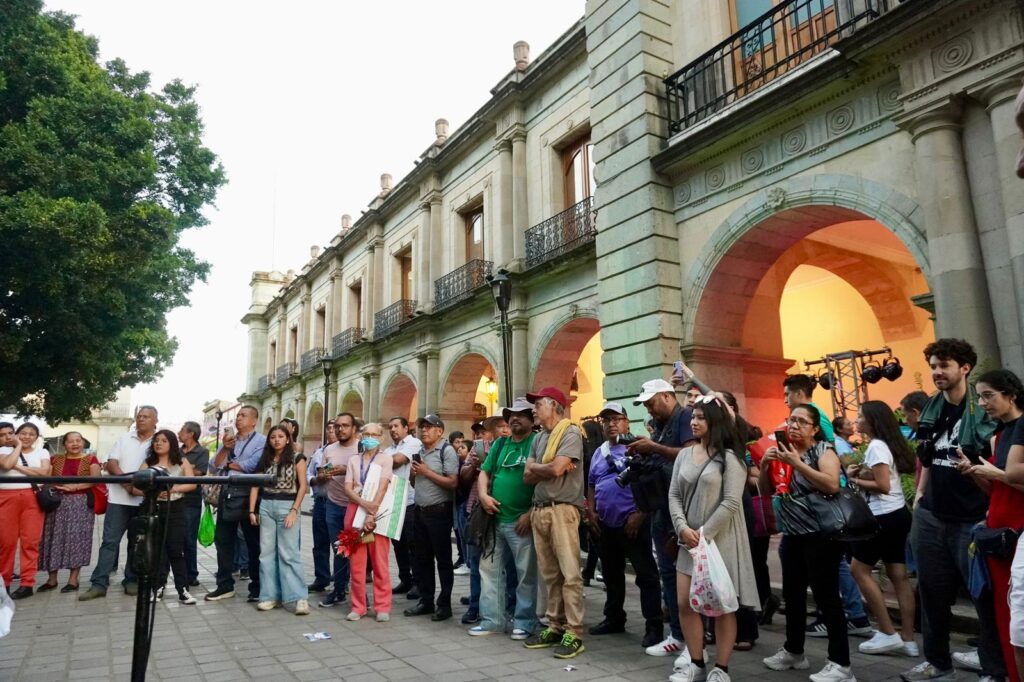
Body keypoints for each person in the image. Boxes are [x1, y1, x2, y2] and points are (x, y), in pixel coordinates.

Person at [901, 339, 1004, 682]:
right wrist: (919, 494)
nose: (936, 372)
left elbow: (997, 469)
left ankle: (993, 668)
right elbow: (927, 455)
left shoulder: (983, 411)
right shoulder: (931, 409)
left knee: (983, 598)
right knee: (931, 594)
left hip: (972, 518)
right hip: (932, 515)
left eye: (944, 365)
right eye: (933, 366)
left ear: (964, 368)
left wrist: (976, 477)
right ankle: (938, 662)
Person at [761, 403, 855, 682]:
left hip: (821, 536)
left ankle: (841, 665)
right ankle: (794, 651)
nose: (794, 426)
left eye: (802, 422)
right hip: (793, 535)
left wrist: (797, 464)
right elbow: (766, 491)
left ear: (815, 429)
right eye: (791, 420)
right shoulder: (784, 452)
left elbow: (831, 484)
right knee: (793, 595)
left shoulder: (822, 451)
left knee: (827, 598)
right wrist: (766, 464)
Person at [669, 396, 758, 682]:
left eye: (701, 417)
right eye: (693, 416)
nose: (693, 422)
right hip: (689, 540)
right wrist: (682, 527)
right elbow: (673, 495)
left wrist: (704, 535)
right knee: (684, 602)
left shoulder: (731, 458)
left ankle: (722, 668)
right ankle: (696, 662)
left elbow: (732, 502)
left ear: (715, 421)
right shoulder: (684, 455)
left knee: (721, 606)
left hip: (719, 542)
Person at [959, 369, 1024, 682]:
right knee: (1002, 609)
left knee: (1016, 615)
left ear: (1010, 394)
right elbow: (999, 488)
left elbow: (1011, 480)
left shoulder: (1022, 427)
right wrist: (975, 472)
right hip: (996, 530)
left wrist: (998, 474)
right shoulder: (999, 434)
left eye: (988, 395)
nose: (983, 403)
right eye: (980, 396)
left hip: (1016, 531)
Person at [627, 378, 697, 657]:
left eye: (652, 402)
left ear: (668, 396)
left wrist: (654, 448)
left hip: (681, 510)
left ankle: (692, 638)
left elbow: (692, 454)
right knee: (668, 573)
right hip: (661, 507)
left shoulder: (685, 417)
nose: (649, 409)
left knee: (684, 575)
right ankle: (679, 636)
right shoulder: (661, 426)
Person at [585, 402, 663, 648]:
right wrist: (592, 512)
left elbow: (652, 485)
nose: (611, 424)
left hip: (634, 523)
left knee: (646, 576)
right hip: (605, 524)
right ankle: (614, 618)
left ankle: (654, 625)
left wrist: (640, 513)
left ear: (627, 422)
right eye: (606, 420)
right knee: (611, 574)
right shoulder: (599, 452)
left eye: (616, 419)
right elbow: (591, 484)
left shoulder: (640, 448)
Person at [846, 401, 918, 657]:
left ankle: (888, 632)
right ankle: (908, 639)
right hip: (897, 515)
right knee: (898, 575)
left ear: (873, 420)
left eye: (861, 416)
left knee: (858, 569)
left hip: (880, 517)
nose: (857, 420)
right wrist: (860, 472)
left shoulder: (876, 446)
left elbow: (883, 485)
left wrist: (852, 478)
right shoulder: (886, 445)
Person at [522, 386, 586, 660]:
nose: (534, 410)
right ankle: (554, 625)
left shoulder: (570, 432)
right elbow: (528, 475)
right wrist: (543, 468)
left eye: (538, 405)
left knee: (570, 573)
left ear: (555, 405)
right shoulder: (539, 438)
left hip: (562, 510)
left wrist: (540, 468)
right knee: (550, 574)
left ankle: (574, 630)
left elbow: (558, 469)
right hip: (540, 509)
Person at [469, 397, 539, 640]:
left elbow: (545, 483)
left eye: (521, 414)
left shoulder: (537, 443)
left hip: (522, 522)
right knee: (489, 571)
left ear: (532, 419)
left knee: (526, 575)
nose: (515, 418)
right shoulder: (500, 444)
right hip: (495, 519)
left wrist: (530, 514)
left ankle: (524, 622)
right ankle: (492, 621)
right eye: (511, 415)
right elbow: (484, 473)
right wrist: (483, 496)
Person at [80, 406, 158, 601]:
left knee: (136, 543)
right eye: (139, 416)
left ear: (155, 420)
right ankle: (99, 583)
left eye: (146, 417)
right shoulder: (125, 438)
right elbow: (112, 462)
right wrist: (127, 483)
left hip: (143, 501)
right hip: (118, 500)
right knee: (109, 542)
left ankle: (131, 579)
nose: (141, 419)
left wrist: (135, 489)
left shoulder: (159, 441)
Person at [205, 405, 266, 603]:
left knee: (253, 543)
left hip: (250, 497)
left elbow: (253, 466)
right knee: (223, 540)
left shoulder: (261, 441)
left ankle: (257, 587)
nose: (238, 418)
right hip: (227, 495)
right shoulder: (230, 442)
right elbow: (214, 466)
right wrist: (225, 448)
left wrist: (229, 464)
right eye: (238, 415)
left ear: (254, 420)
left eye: (243, 415)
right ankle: (224, 585)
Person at [248, 425, 309, 615]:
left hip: (287, 505)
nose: (276, 440)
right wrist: (252, 510)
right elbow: (255, 486)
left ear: (288, 439)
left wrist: (294, 510)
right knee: (266, 554)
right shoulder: (265, 459)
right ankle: (269, 596)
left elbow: (303, 486)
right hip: (266, 505)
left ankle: (300, 597)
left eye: (281, 436)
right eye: (273, 437)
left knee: (289, 553)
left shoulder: (297, 458)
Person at [405, 414, 459, 621]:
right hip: (419, 511)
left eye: (429, 427)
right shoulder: (419, 452)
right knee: (422, 560)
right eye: (422, 427)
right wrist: (414, 473)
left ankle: (444, 604)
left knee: (443, 560)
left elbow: (453, 483)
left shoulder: (447, 451)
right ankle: (426, 601)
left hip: (439, 512)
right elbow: (414, 483)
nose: (424, 430)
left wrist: (427, 472)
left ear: (440, 431)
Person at [135, 429, 198, 604]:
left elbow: (192, 484)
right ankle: (158, 587)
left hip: (176, 509)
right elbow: (135, 487)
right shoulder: (149, 463)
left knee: (175, 550)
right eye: (156, 440)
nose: (159, 443)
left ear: (172, 443)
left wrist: (174, 489)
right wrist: (154, 494)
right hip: (154, 509)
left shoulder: (182, 461)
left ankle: (183, 589)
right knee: (158, 551)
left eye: (164, 440)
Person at [37, 432, 101, 594]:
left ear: (83, 442)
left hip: (80, 503)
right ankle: (52, 579)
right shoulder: (55, 459)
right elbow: (46, 478)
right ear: (64, 444)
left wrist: (75, 487)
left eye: (78, 441)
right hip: (57, 502)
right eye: (70, 441)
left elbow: (96, 479)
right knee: (52, 538)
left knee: (77, 539)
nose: (75, 444)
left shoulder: (91, 459)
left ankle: (73, 579)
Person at [458, 415, 507, 622]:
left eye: (506, 425)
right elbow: (463, 476)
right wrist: (474, 466)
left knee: (508, 566)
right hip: (477, 509)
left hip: (505, 510)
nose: (504, 429)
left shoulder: (513, 448)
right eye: (499, 426)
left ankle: (507, 606)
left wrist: (488, 464)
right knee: (476, 562)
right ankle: (476, 605)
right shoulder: (478, 447)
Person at [342, 422, 392, 622]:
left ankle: (382, 606)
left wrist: (372, 511)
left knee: (380, 561)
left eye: (374, 434)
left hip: (377, 510)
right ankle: (358, 605)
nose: (370, 437)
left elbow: (383, 486)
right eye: (366, 434)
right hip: (355, 509)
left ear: (381, 438)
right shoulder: (354, 460)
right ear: (361, 437)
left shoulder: (385, 459)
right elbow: (348, 487)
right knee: (356, 562)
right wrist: (363, 503)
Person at [0, 422, 51, 599]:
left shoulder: (42, 452)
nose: (27, 437)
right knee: (6, 543)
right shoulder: (4, 450)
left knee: (30, 541)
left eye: (31, 434)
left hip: (32, 497)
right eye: (23, 433)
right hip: (6, 497)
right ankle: (4, 582)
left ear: (37, 437)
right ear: (16, 434)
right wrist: (18, 446)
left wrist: (19, 467)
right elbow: (6, 465)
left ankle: (27, 583)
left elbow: (44, 472)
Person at [318, 412, 358, 608]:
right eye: (337, 426)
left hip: (356, 506)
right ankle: (339, 590)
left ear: (353, 428)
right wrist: (324, 474)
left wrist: (346, 470)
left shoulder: (361, 448)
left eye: (345, 425)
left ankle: (359, 594)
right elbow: (320, 472)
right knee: (339, 549)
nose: (340, 429)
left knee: (358, 552)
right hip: (333, 505)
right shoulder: (329, 449)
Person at [385, 416, 422, 597]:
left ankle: (418, 582)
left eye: (396, 426)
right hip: (393, 501)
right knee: (398, 544)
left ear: (406, 428)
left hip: (409, 501)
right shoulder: (388, 449)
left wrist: (381, 461)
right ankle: (405, 579)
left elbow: (398, 460)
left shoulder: (413, 443)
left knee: (412, 543)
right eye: (390, 427)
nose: (393, 429)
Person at [306, 421, 337, 593]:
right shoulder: (319, 452)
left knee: (339, 544)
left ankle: (342, 580)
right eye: (329, 429)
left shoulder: (347, 451)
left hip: (339, 502)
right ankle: (322, 578)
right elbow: (308, 474)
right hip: (321, 501)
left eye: (335, 429)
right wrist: (315, 480)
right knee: (320, 543)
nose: (332, 432)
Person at [177, 421, 208, 588]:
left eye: (182, 430)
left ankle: (191, 574)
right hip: (175, 498)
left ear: (191, 434)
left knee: (189, 538)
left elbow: (200, 472)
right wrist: (189, 469)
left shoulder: (202, 451)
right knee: (175, 538)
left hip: (192, 500)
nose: (179, 432)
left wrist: (181, 470)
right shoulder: (177, 451)